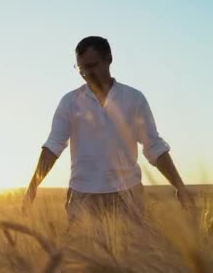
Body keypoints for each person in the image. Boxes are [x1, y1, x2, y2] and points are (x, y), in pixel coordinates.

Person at [22, 36, 194, 224]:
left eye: (92, 65)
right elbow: (53, 146)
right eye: (81, 69)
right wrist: (32, 188)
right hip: (82, 196)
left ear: (109, 59)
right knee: (80, 254)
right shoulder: (70, 102)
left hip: (128, 194)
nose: (87, 73)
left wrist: (180, 186)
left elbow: (154, 147)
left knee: (131, 253)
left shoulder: (134, 99)